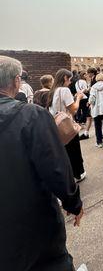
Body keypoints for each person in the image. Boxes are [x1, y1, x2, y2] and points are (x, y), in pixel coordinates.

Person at [0, 56, 83, 271]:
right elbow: (56, 168)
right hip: (32, 220)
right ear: (17, 81)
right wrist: (73, 203)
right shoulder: (31, 116)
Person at [48, 69, 86, 183]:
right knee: (73, 150)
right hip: (66, 124)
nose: (70, 82)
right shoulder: (64, 90)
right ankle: (77, 175)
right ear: (65, 78)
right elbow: (73, 110)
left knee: (64, 152)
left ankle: (68, 175)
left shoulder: (53, 90)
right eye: (69, 79)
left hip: (56, 125)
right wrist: (78, 98)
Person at [75, 71, 92, 138]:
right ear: (83, 75)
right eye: (85, 75)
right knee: (86, 113)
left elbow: (78, 91)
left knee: (82, 111)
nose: (86, 76)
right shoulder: (83, 81)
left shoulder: (77, 82)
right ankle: (79, 122)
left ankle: (79, 121)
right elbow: (85, 90)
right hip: (84, 98)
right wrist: (89, 89)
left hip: (80, 98)